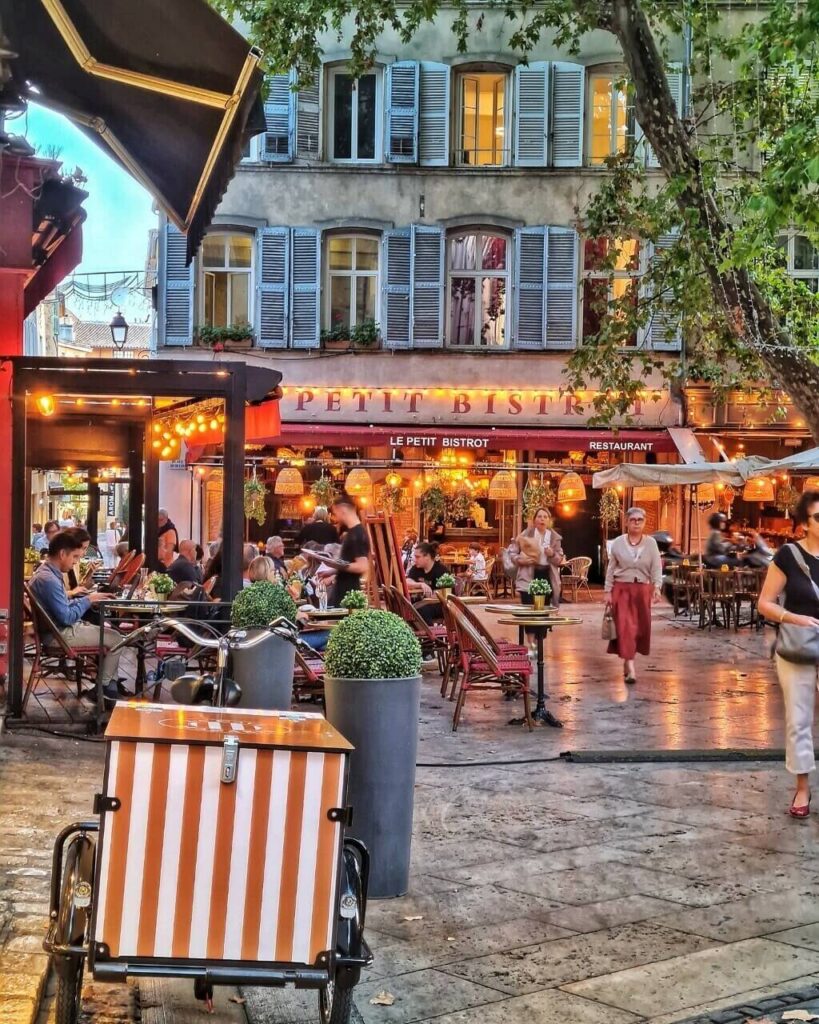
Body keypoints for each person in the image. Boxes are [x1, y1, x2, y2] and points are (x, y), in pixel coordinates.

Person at [758, 491, 819, 818]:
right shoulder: (788, 555)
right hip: (798, 646)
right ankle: (802, 787)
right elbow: (764, 603)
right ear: (805, 523)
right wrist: (793, 618)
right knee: (799, 719)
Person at [28, 531, 125, 706]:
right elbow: (66, 617)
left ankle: (109, 688)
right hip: (60, 635)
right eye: (74, 557)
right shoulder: (49, 579)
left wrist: (87, 599)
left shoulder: (46, 573)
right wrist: (88, 600)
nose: (75, 562)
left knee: (112, 635)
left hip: (58, 631)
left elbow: (63, 607)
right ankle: (103, 689)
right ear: (62, 554)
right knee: (117, 639)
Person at [604, 506, 663, 685]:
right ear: (626, 522)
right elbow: (611, 568)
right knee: (626, 628)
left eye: (640, 520)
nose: (636, 523)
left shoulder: (651, 543)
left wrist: (657, 587)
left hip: (642, 590)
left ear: (644, 523)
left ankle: (627, 658)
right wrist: (607, 591)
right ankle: (630, 667)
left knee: (639, 629)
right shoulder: (618, 543)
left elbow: (656, 567)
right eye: (633, 520)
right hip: (621, 590)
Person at [510, 508, 564, 608]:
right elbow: (512, 552)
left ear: (549, 520)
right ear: (534, 520)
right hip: (528, 575)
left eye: (545, 517)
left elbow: (559, 559)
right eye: (539, 516)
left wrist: (552, 554)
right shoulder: (526, 534)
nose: (542, 519)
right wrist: (520, 560)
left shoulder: (554, 537)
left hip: (547, 576)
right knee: (528, 610)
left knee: (544, 610)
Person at [328, 495, 370, 605]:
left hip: (348, 595)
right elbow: (349, 562)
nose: (335, 517)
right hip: (343, 591)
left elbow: (362, 566)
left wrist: (336, 565)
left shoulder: (358, 534)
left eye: (335, 513)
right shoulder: (352, 532)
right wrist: (332, 570)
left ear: (342, 509)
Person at [407, 542, 448, 623]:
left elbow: (446, 595)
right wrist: (420, 584)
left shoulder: (441, 571)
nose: (415, 559)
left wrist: (429, 596)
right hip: (420, 602)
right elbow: (407, 581)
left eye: (417, 557)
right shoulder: (416, 568)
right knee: (402, 606)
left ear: (427, 556)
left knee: (422, 610)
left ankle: (429, 630)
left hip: (439, 604)